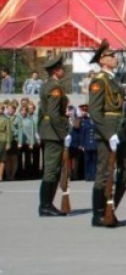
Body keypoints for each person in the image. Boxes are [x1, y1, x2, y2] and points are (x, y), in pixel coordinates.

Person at [88, 40, 126, 226]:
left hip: (121, 130)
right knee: (104, 173)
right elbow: (94, 111)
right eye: (112, 56)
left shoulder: (113, 79)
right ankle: (99, 214)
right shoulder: (99, 80)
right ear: (102, 60)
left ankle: (110, 208)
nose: (115, 58)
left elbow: (122, 109)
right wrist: (109, 134)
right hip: (108, 131)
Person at [36, 56, 70, 217]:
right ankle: (45, 205)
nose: (63, 70)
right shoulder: (55, 88)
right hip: (54, 132)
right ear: (56, 70)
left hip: (48, 130)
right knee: (51, 170)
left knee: (54, 169)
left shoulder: (47, 86)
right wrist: (63, 133)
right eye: (62, 68)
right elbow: (54, 114)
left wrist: (40, 129)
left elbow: (41, 112)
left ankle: (47, 204)